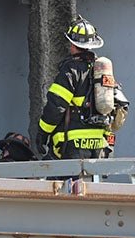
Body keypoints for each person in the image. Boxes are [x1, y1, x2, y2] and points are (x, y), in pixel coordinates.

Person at [36, 15, 127, 160]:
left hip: (73, 145)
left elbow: (56, 106)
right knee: (92, 183)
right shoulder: (102, 71)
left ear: (72, 44)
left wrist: (42, 133)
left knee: (65, 182)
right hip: (99, 145)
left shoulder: (70, 71)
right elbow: (120, 106)